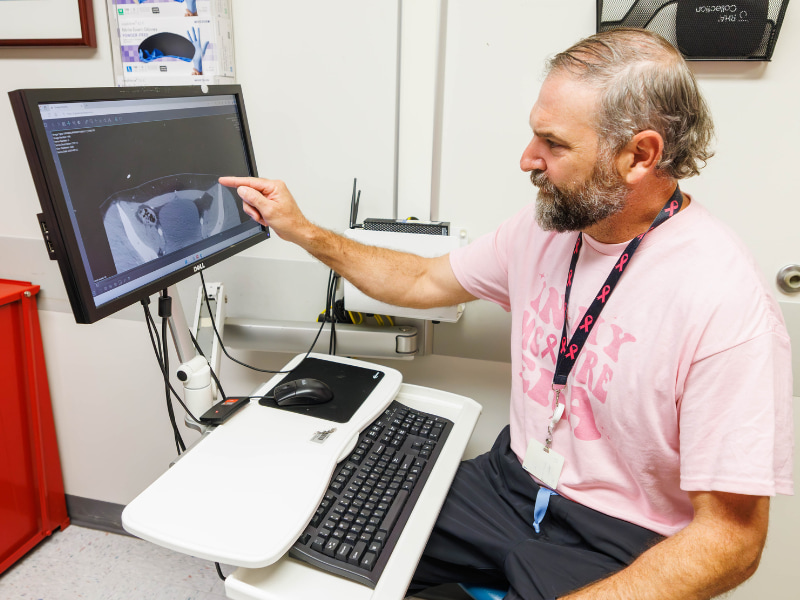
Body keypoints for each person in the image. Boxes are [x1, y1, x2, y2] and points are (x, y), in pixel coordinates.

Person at [220, 28, 793, 600]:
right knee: (313, 554)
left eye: (554, 143)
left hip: (618, 538)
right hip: (509, 485)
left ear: (638, 155)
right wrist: (305, 233)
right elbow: (422, 278)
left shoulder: (724, 303)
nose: (528, 160)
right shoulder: (546, 229)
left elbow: (732, 541)